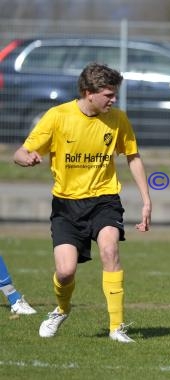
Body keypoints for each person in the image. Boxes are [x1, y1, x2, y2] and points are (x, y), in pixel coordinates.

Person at [13, 62, 152, 343]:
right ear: (89, 93)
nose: (113, 100)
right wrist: (25, 158)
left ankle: (116, 328)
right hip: (66, 205)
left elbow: (133, 156)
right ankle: (62, 309)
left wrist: (146, 200)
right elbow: (20, 152)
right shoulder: (57, 117)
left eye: (115, 94)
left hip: (104, 199)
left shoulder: (118, 119)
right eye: (108, 95)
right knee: (65, 273)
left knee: (110, 248)